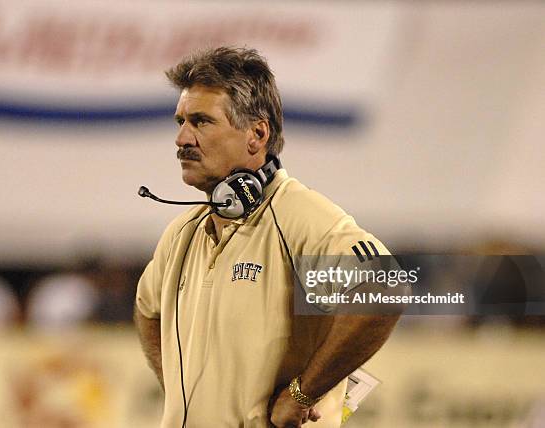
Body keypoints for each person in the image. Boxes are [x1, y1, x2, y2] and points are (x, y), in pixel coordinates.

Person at [135, 46, 405, 428]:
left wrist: (302, 393)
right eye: (180, 121)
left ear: (257, 134)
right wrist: (179, 391)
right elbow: (148, 310)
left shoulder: (297, 217)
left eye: (201, 122)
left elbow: (384, 288)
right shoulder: (183, 233)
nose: (181, 138)